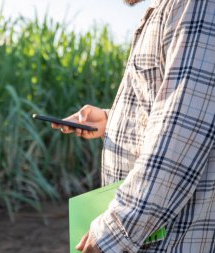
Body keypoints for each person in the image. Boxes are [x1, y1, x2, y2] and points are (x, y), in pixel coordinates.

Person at [51, 0, 215, 252]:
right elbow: (178, 107)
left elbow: (181, 134)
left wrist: (114, 232)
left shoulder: (194, 5)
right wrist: (111, 119)